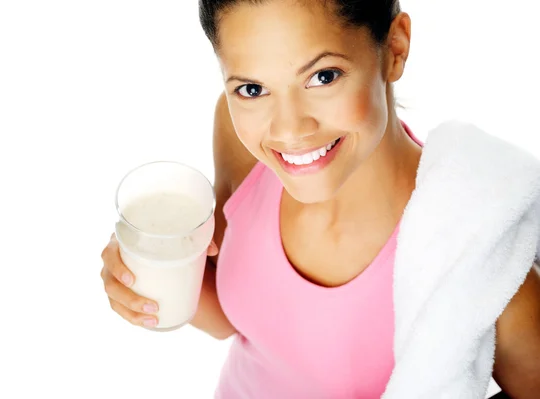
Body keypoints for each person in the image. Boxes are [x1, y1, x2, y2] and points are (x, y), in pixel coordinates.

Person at [100, 0, 540, 397]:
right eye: (252, 89)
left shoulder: (478, 262)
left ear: (395, 49)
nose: (288, 129)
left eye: (322, 77)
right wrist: (152, 279)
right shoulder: (245, 148)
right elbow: (237, 321)